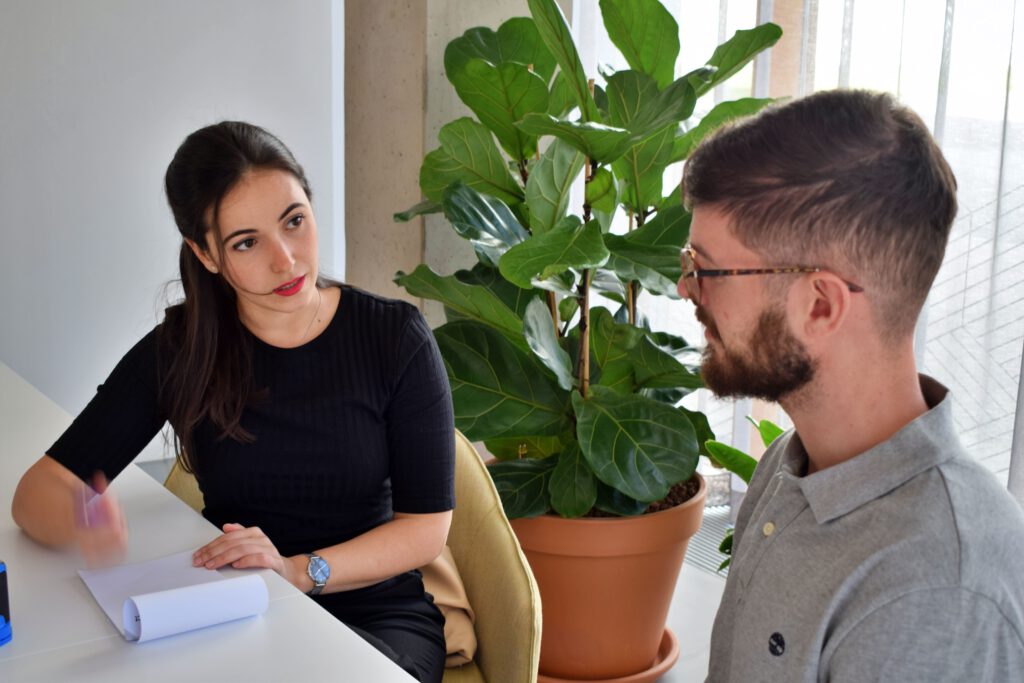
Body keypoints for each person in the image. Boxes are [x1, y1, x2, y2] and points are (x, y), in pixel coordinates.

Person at [11, 121, 455, 683]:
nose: (286, 260)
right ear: (207, 254)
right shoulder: (183, 348)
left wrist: (298, 571)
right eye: (247, 242)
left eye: (294, 221)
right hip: (232, 609)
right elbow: (35, 495)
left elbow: (425, 529)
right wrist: (83, 522)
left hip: (376, 615)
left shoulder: (395, 338)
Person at [677, 89, 1024, 681]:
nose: (687, 289)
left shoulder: (934, 589)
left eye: (707, 270)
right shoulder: (793, 467)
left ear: (819, 306)